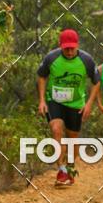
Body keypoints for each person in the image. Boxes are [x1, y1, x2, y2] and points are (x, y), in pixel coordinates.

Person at [37, 29, 99, 188]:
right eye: (66, 48)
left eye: (72, 48)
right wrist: (42, 100)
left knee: (72, 139)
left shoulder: (87, 60)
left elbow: (96, 81)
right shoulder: (51, 58)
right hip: (54, 101)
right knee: (56, 130)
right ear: (61, 46)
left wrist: (89, 103)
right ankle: (62, 170)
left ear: (77, 45)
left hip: (76, 104)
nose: (70, 51)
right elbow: (42, 76)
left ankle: (70, 168)